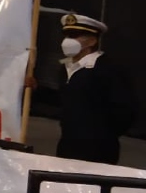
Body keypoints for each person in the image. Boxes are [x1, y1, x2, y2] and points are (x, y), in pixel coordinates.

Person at [54, 13, 136, 164]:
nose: (68, 41)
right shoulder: (66, 68)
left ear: (92, 40)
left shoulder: (109, 70)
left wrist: (102, 134)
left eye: (75, 36)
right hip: (67, 145)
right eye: (66, 35)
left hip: (98, 151)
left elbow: (124, 111)